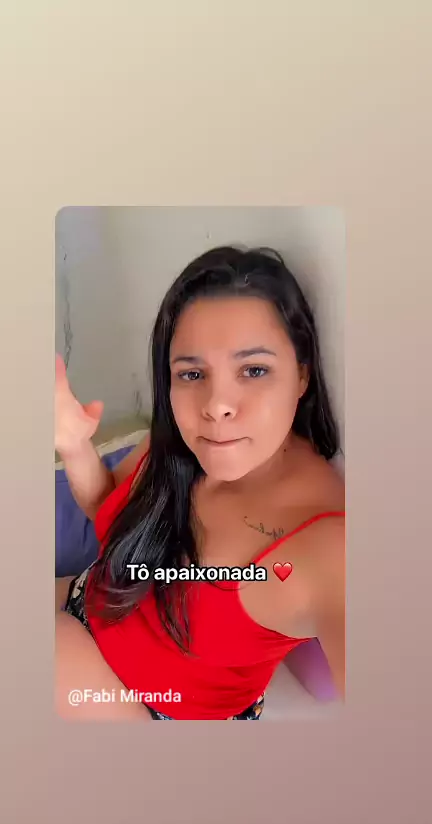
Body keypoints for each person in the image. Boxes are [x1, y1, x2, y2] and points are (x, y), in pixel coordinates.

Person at [55, 245, 345, 721]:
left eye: (254, 370)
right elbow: (107, 508)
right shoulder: (181, 440)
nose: (216, 405)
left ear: (302, 374)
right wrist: (72, 446)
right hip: (90, 601)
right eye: (192, 373)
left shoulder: (333, 544)